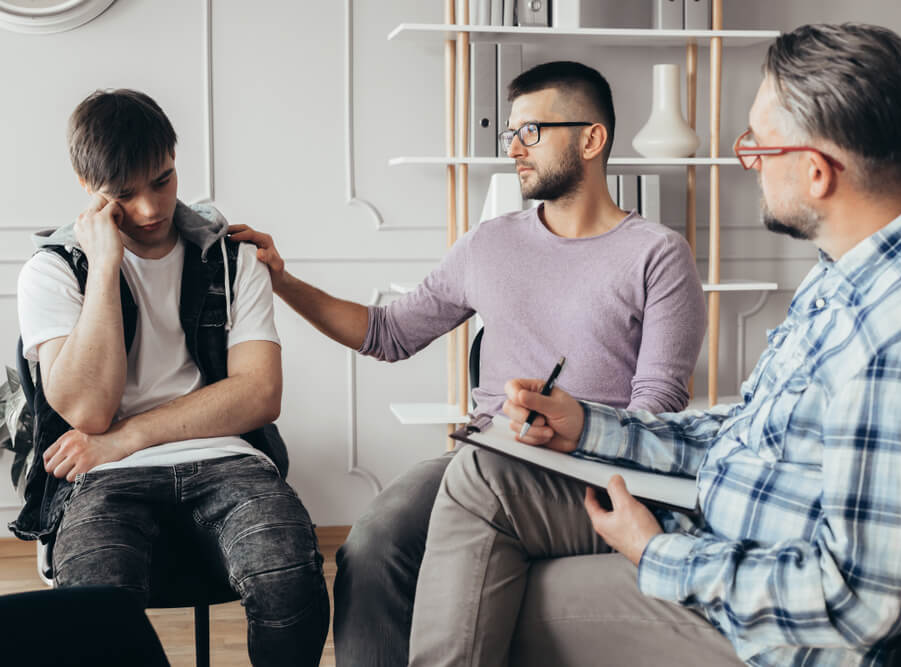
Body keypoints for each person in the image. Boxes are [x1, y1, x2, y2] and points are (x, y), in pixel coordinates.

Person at [410, 23, 901, 667]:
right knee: (480, 484)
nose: (747, 162)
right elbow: (751, 430)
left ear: (815, 171)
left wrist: (656, 553)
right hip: (724, 535)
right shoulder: (854, 268)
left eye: (758, 145)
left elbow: (856, 603)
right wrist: (590, 427)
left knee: (487, 603)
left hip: (769, 639)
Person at [230, 60, 707, 665]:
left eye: (531, 132)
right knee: (371, 542)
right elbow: (387, 333)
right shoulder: (490, 244)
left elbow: (658, 408)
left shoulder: (658, 255)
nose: (514, 149)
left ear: (591, 138)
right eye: (510, 133)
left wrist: (576, 424)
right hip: (486, 459)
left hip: (595, 473)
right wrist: (283, 280)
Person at [11, 89, 329, 666]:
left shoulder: (231, 257)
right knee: (95, 604)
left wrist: (128, 437)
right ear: (89, 189)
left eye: (162, 180)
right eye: (124, 195)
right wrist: (106, 266)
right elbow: (87, 412)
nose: (151, 209)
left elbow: (260, 393)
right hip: (99, 476)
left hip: (225, 459)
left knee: (289, 574)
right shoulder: (53, 271)